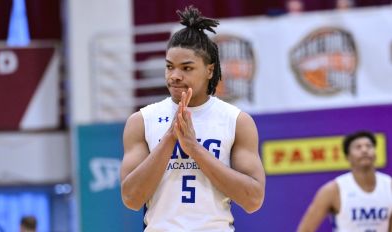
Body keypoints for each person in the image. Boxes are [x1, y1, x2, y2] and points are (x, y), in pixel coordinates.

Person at [120, 5, 265, 232]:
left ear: (209, 70)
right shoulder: (141, 120)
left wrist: (193, 148)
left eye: (186, 68)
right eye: (169, 67)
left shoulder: (236, 121)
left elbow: (253, 199)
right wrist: (170, 138)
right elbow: (131, 198)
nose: (175, 76)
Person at [297, 130, 392, 232]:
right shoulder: (333, 190)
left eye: (369, 146)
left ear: (375, 153)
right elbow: (305, 229)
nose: (364, 150)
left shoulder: (389, 185)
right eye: (358, 147)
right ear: (348, 157)